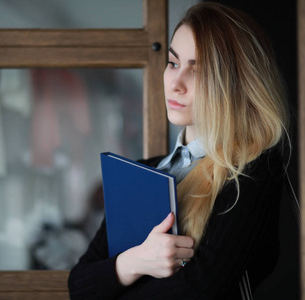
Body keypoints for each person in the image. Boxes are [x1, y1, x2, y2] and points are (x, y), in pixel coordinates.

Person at [68, 2, 290, 299]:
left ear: (236, 83)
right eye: (173, 63)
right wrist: (135, 262)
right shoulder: (142, 171)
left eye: (198, 71)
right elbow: (79, 286)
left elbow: (197, 290)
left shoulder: (251, 171)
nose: (176, 83)